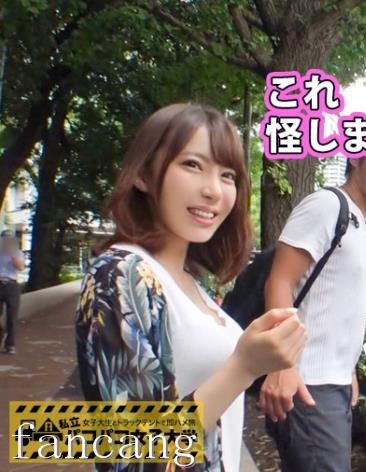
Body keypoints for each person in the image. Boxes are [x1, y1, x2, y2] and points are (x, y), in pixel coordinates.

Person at [75, 103, 307, 471]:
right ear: (144, 175)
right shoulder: (119, 275)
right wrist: (244, 367)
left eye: (227, 175)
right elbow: (133, 454)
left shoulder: (189, 282)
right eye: (192, 165)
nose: (213, 190)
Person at [262, 155, 366, 471]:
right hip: (308, 382)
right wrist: (282, 365)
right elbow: (280, 281)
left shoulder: (358, 222)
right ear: (356, 157)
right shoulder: (326, 206)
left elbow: (337, 307)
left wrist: (348, 370)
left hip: (332, 383)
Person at [0, 230, 25, 354]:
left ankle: (10, 344)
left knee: (12, 317)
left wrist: (12, 255)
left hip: (12, 285)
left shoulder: (18, 253)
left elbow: (20, 267)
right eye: (4, 239)